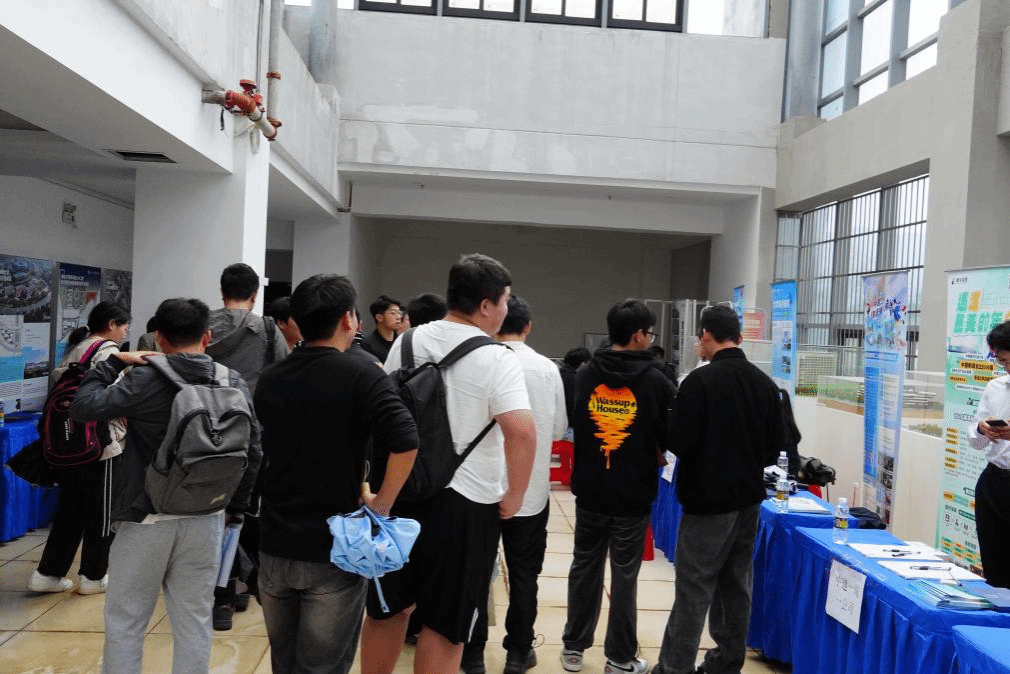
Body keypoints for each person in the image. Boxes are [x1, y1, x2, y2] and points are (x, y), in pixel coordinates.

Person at [359, 253, 537, 674]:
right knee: (446, 624)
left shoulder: (406, 342)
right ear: (487, 305)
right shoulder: (498, 358)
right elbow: (522, 431)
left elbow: (382, 414)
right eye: (504, 300)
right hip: (466, 506)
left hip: (400, 494)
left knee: (388, 610)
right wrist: (515, 494)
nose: (506, 309)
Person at [70, 298, 261, 674]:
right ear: (207, 336)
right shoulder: (231, 381)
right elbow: (253, 452)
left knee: (127, 620)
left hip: (146, 515)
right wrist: (234, 508)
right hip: (207, 515)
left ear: (159, 337)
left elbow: (83, 406)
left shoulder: (145, 378)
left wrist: (113, 363)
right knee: (194, 619)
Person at [254, 274, 419, 674]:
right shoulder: (363, 374)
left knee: (284, 662)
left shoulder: (271, 377)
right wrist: (382, 505)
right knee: (324, 665)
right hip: (334, 545)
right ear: (349, 320)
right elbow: (406, 440)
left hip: (274, 543)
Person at [651, 305, 784, 674]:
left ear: (705, 335)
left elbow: (680, 441)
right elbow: (775, 448)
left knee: (694, 586)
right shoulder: (765, 384)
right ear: (739, 338)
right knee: (737, 583)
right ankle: (726, 661)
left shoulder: (699, 382)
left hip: (707, 500)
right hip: (749, 499)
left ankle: (675, 666)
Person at [561, 299, 676, 674]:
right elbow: (669, 436)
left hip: (591, 487)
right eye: (650, 333)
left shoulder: (586, 374)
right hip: (632, 492)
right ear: (639, 335)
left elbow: (578, 421)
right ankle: (620, 658)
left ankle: (573, 648)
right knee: (625, 575)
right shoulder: (657, 381)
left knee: (584, 566)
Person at [463, 295, 567, 674]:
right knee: (524, 575)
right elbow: (557, 430)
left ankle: (473, 654)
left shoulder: (478, 362)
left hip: (481, 489)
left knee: (476, 574)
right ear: (528, 327)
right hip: (530, 492)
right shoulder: (546, 369)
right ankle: (519, 653)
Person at [28, 301, 131, 595]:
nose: (126, 332)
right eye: (124, 326)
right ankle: (94, 577)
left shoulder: (77, 348)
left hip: (68, 443)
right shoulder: (109, 353)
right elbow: (116, 399)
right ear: (111, 324)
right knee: (102, 512)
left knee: (71, 508)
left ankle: (48, 574)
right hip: (101, 445)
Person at [207, 262, 288, 629]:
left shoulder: (203, 326)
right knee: (243, 512)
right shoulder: (267, 329)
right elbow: (283, 378)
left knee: (212, 511)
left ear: (222, 291)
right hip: (252, 434)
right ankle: (236, 585)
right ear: (255, 294)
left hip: (203, 432)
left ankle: (223, 592)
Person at [969, 320, 1010, 589]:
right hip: (993, 484)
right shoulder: (995, 387)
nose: (1003, 366)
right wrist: (981, 429)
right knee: (994, 567)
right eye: (1000, 360)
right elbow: (976, 441)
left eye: (1005, 359)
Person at [361, 295, 403, 363]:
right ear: (379, 318)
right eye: (393, 313)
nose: (398, 317)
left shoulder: (402, 341)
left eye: (399, 313)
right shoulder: (367, 345)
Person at [559, 347, 591, 422]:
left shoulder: (559, 374)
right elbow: (573, 405)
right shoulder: (573, 379)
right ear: (582, 364)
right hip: (569, 423)